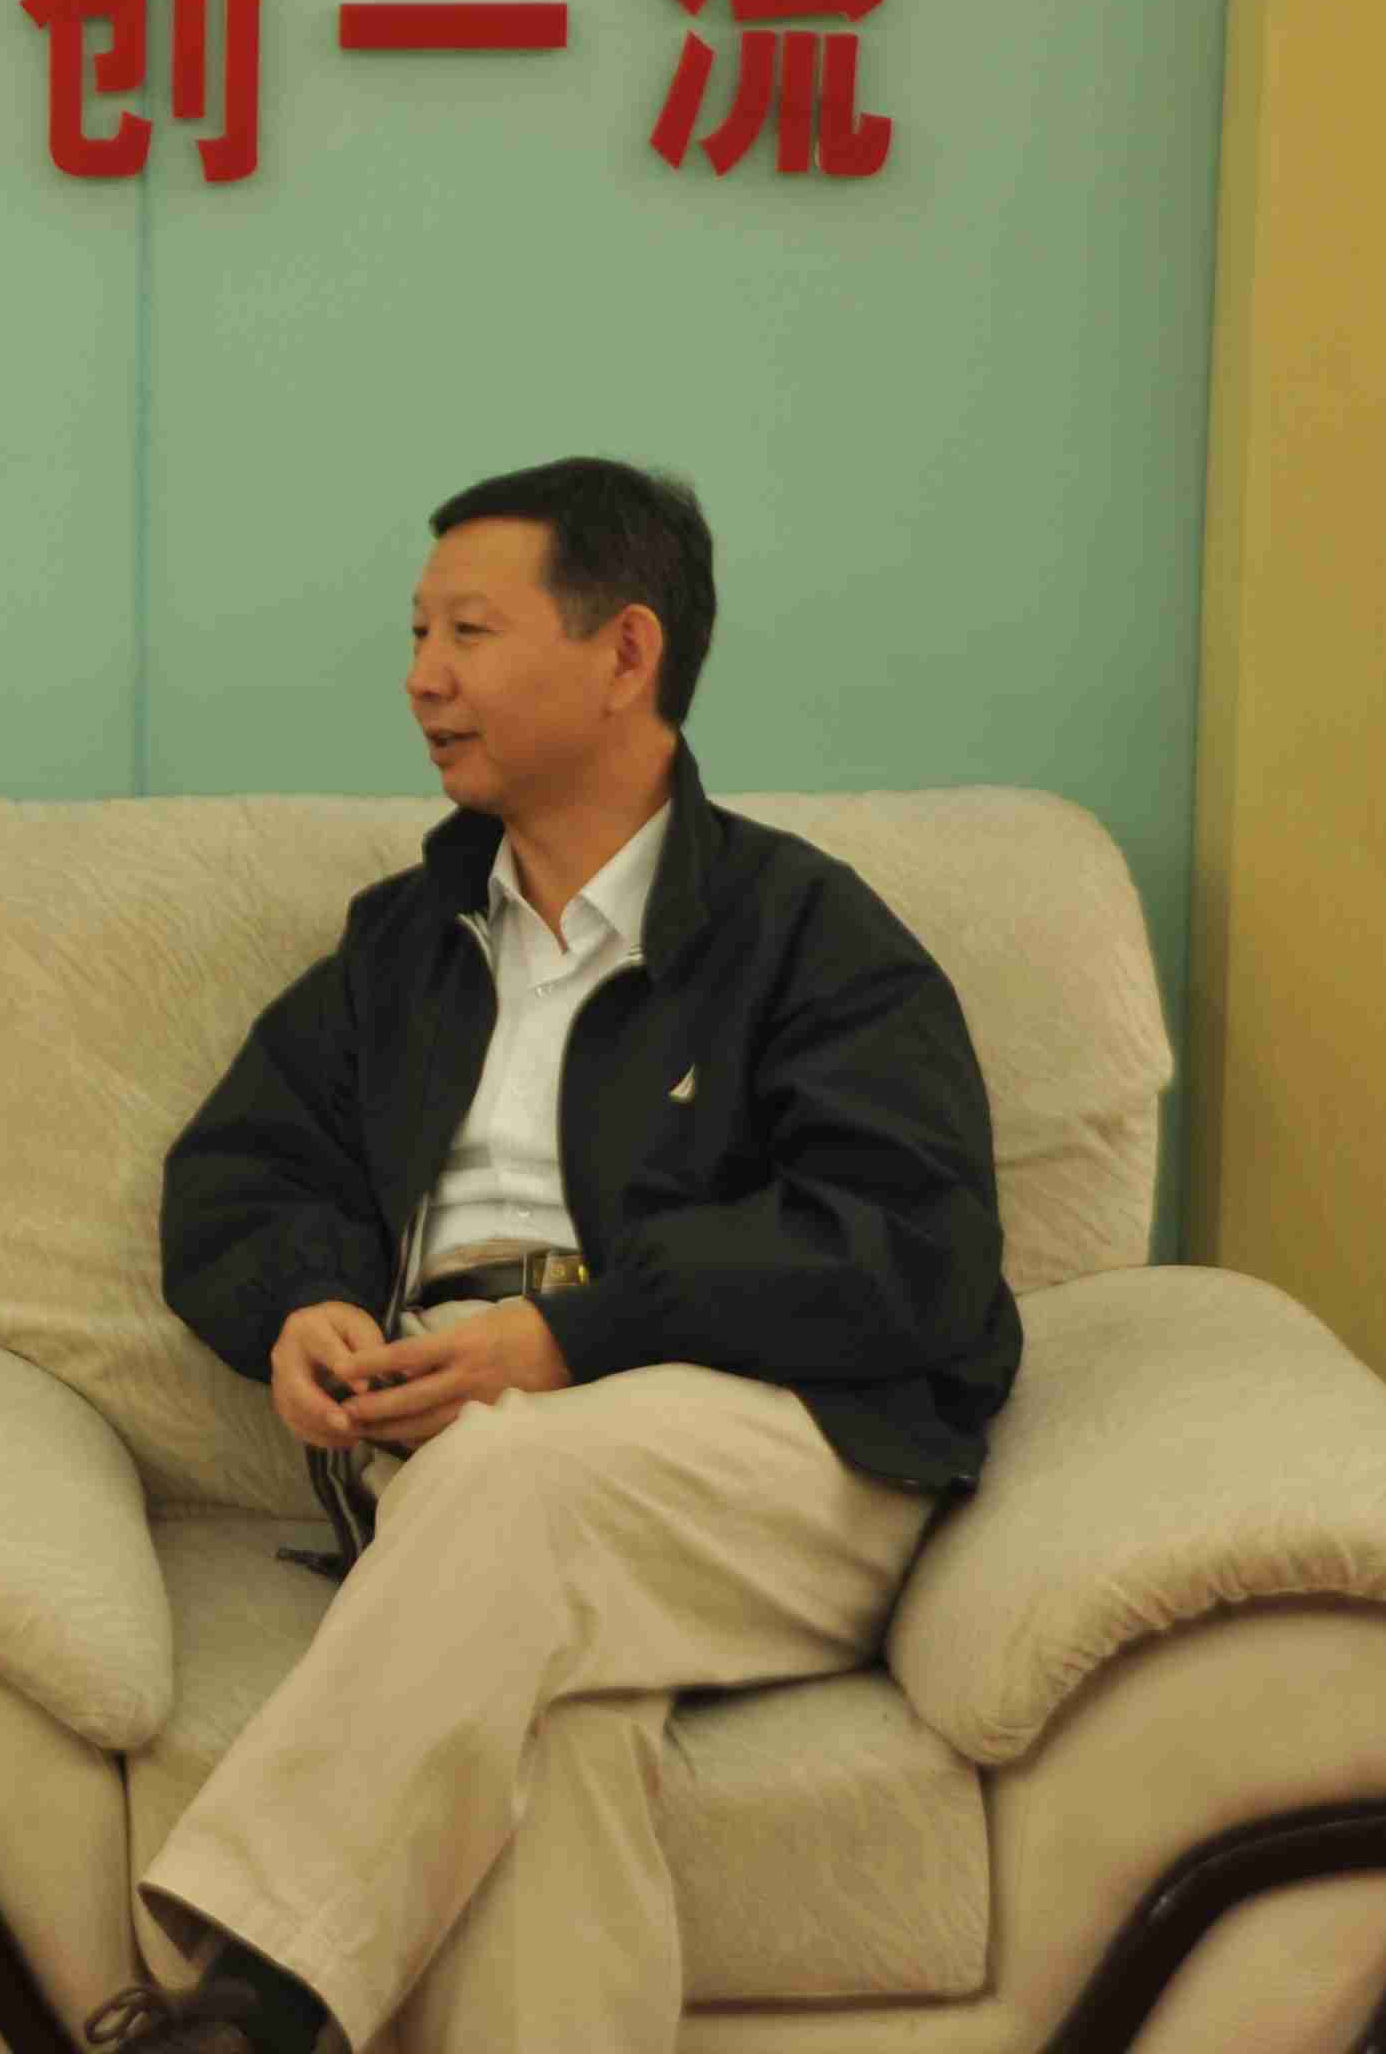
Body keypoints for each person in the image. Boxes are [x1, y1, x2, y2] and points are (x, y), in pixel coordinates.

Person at [88, 458, 1019, 2054]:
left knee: (515, 1473)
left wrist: (577, 1339)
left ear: (625, 654)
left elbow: (909, 1247)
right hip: (460, 1466)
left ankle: (260, 1997)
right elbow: (242, 1171)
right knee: (553, 1739)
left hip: (769, 1454)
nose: (421, 676)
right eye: (418, 633)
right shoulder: (408, 942)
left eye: (469, 630)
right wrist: (307, 1305)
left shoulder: (806, 935)